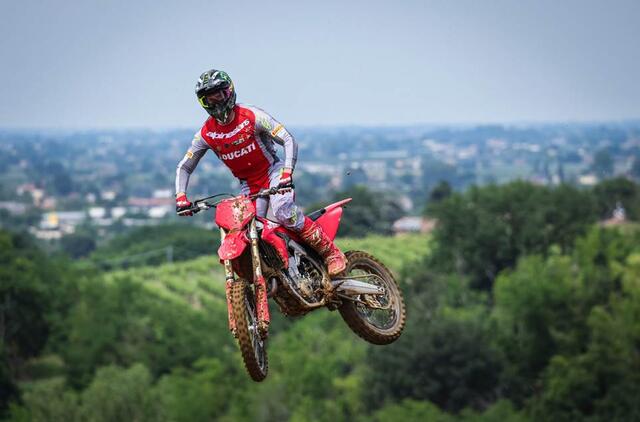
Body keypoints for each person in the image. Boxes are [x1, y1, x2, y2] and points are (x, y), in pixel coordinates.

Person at [175, 69, 346, 276]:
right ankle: (281, 273)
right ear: (203, 102)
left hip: (273, 172)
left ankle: (331, 253)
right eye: (209, 98)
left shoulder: (252, 116)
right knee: (245, 230)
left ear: (229, 91)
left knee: (283, 211)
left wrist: (287, 173)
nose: (216, 101)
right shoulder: (206, 133)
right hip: (248, 184)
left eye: (219, 94)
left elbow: (287, 139)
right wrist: (181, 197)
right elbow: (185, 166)